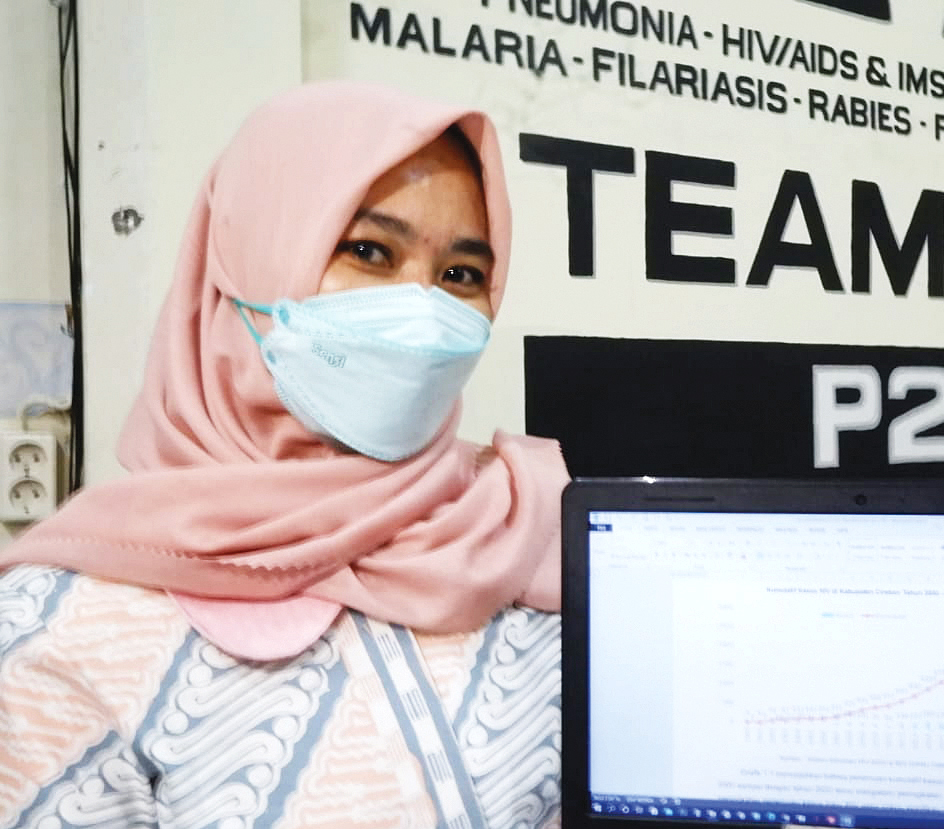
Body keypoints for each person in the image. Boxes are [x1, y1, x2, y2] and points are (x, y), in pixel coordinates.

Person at [0, 81, 568, 828]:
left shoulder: (527, 529)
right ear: (253, 260)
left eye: (461, 274)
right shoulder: (67, 631)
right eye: (369, 250)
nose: (423, 306)